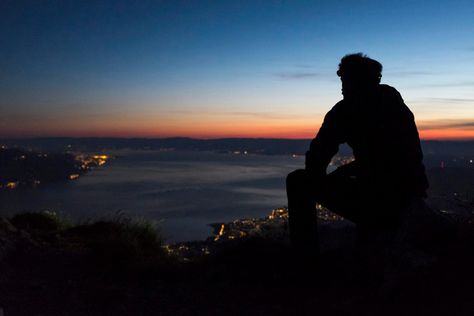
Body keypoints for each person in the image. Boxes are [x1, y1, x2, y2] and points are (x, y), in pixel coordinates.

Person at [286, 53, 429, 254]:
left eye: (345, 80)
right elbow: (397, 156)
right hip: (410, 192)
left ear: (358, 80)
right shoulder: (393, 102)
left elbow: (318, 155)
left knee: (298, 182)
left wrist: (333, 174)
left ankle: (305, 259)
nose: (342, 87)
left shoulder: (346, 110)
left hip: (382, 196)